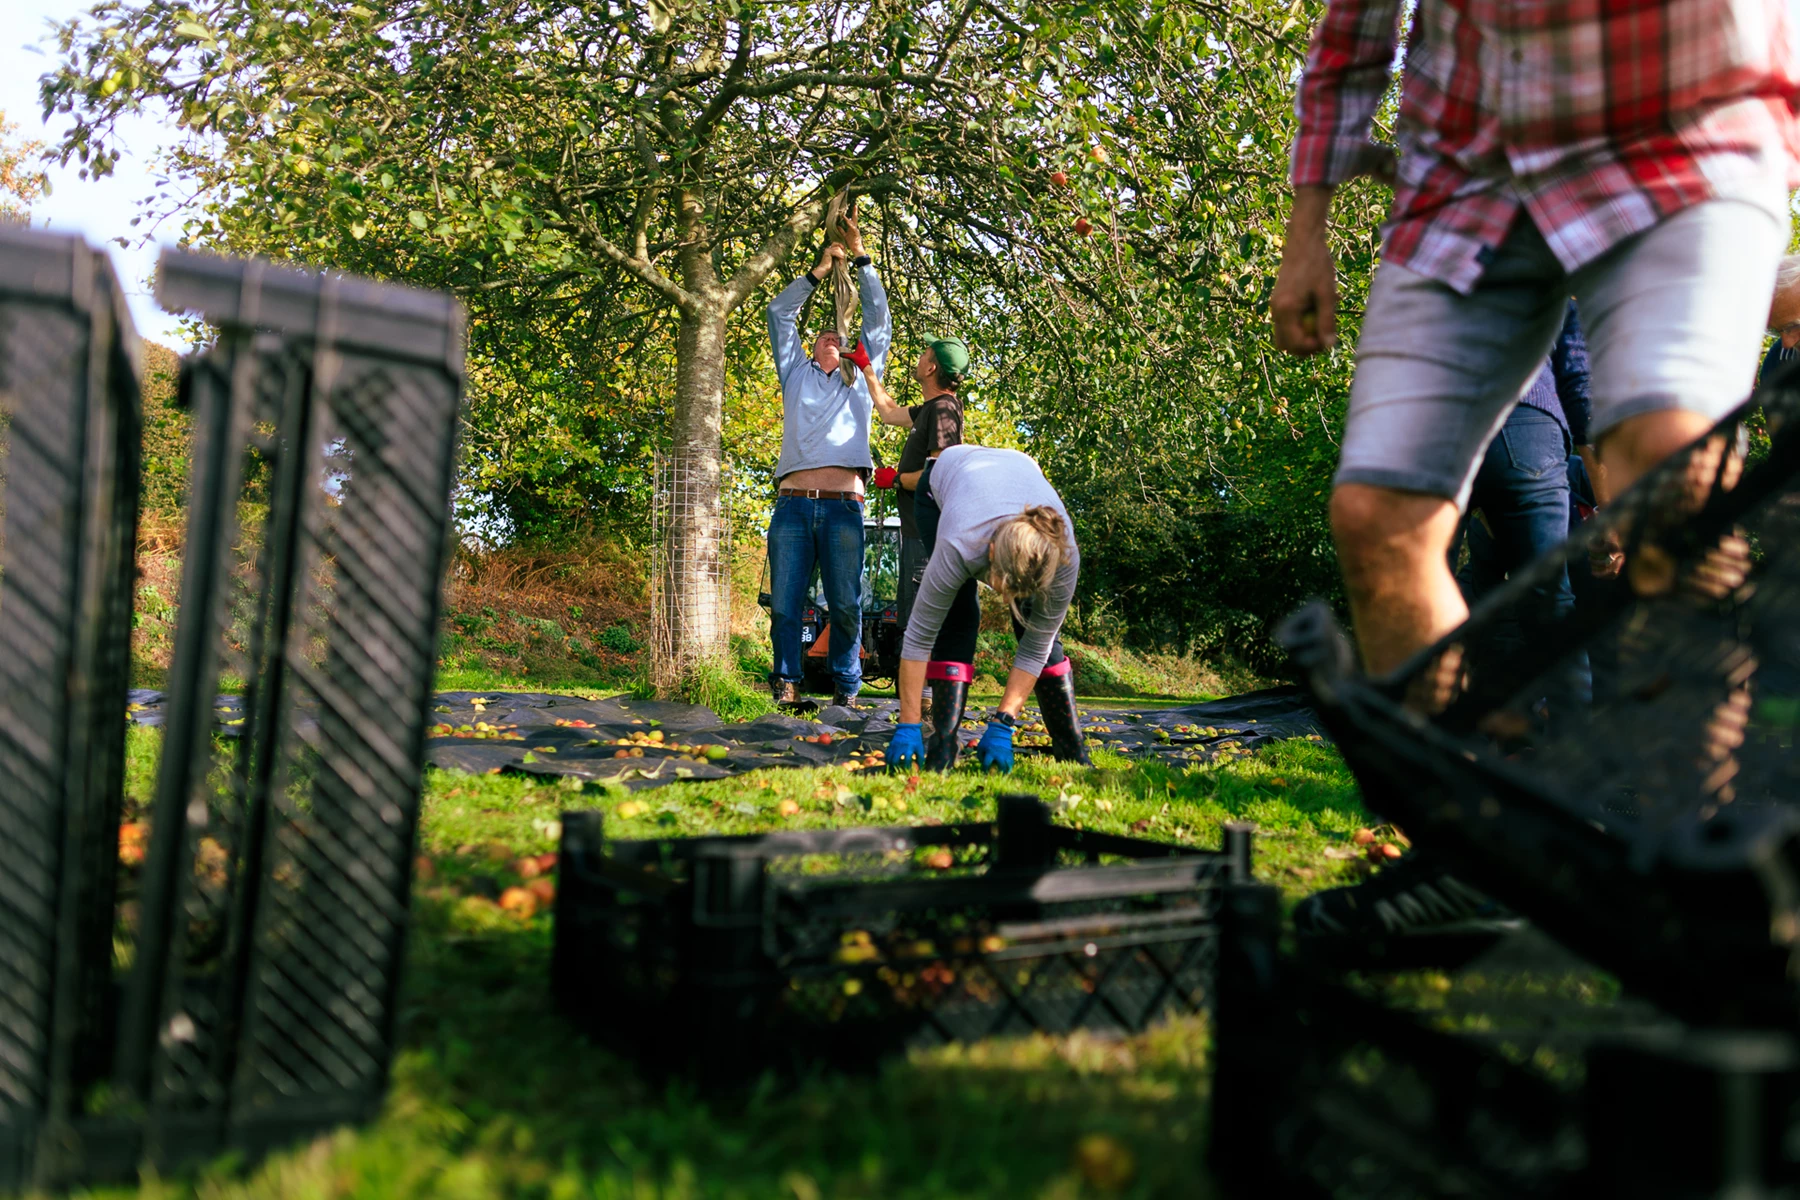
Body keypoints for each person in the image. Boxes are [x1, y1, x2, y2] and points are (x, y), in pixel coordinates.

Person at [1269, 0, 1798, 942]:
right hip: (1470, 159)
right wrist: (1307, 223)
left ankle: (1703, 864)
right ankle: (1465, 857)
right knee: (1376, 516)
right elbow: (1354, 26)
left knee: (1671, 471)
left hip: (1678, 120)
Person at [883, 445, 1091, 773]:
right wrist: (907, 724)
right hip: (939, 485)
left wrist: (1003, 724)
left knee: (1035, 628)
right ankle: (943, 746)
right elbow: (920, 636)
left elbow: (1037, 647)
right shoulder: (961, 543)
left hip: (1013, 474)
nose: (1001, 596)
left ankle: (1071, 748)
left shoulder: (1062, 558)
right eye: (1000, 584)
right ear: (991, 551)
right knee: (959, 613)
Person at [764, 214, 891, 710]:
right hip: (793, 507)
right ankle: (786, 682)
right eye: (822, 336)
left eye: (838, 336)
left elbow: (878, 321)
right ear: (812, 347)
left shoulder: (862, 377)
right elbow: (779, 314)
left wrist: (860, 256)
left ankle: (846, 689)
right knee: (786, 605)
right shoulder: (795, 373)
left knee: (845, 604)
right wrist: (819, 270)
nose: (830, 339)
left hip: (843, 508)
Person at [856, 338, 978, 766]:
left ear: (932, 369)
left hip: (930, 535)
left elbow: (939, 468)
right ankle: (925, 706)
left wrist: (897, 480)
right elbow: (889, 412)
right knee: (916, 615)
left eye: (925, 354)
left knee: (924, 620)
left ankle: (926, 709)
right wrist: (867, 369)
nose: (919, 357)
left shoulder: (944, 410)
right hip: (917, 532)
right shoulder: (930, 408)